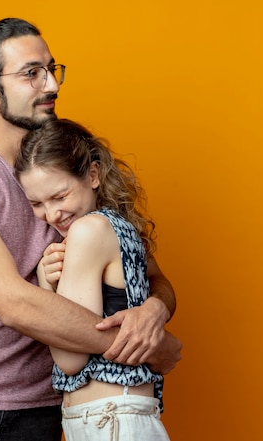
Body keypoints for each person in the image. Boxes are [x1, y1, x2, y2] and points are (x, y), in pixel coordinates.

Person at [0, 17, 181, 441]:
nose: (51, 84)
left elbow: (152, 277)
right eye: (31, 73)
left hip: (47, 409)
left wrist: (154, 311)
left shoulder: (67, 161)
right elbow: (12, 302)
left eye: (52, 69)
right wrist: (145, 348)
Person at [15, 118, 170, 441]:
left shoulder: (87, 231)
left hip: (109, 420)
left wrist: (46, 283)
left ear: (93, 176)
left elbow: (70, 359)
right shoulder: (117, 226)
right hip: (117, 415)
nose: (51, 214)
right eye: (36, 204)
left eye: (60, 196)